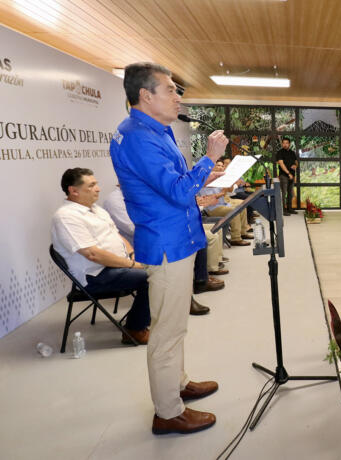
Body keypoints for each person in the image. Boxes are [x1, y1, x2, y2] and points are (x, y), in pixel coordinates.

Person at [110, 62, 225, 435]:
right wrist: (208, 157)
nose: (178, 97)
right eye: (172, 90)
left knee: (173, 326)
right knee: (166, 332)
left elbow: (174, 184)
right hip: (167, 243)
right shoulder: (140, 137)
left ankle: (177, 383)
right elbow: (176, 191)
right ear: (146, 95)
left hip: (175, 236)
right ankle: (168, 411)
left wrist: (205, 176)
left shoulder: (153, 131)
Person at [52, 168, 151, 345]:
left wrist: (133, 255)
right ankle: (135, 329)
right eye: (91, 185)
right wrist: (132, 264)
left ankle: (143, 320)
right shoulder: (66, 217)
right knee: (150, 277)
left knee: (154, 269)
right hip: (96, 275)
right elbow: (93, 254)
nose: (98, 188)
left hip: (115, 267)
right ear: (73, 191)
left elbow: (118, 236)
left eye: (96, 183)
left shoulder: (96, 210)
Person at [104, 185, 219, 315]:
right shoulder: (114, 200)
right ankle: (186, 300)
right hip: (139, 244)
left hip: (154, 237)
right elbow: (133, 228)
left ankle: (200, 281)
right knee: (176, 253)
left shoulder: (140, 193)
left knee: (195, 239)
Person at [276, 137, 298, 216]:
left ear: (289, 144)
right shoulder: (280, 152)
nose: (285, 144)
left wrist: (295, 165)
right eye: (283, 143)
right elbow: (281, 164)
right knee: (283, 193)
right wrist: (288, 173)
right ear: (282, 144)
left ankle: (290, 208)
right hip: (284, 175)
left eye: (286, 143)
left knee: (290, 193)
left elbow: (296, 162)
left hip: (292, 176)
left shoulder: (292, 152)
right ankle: (283, 210)